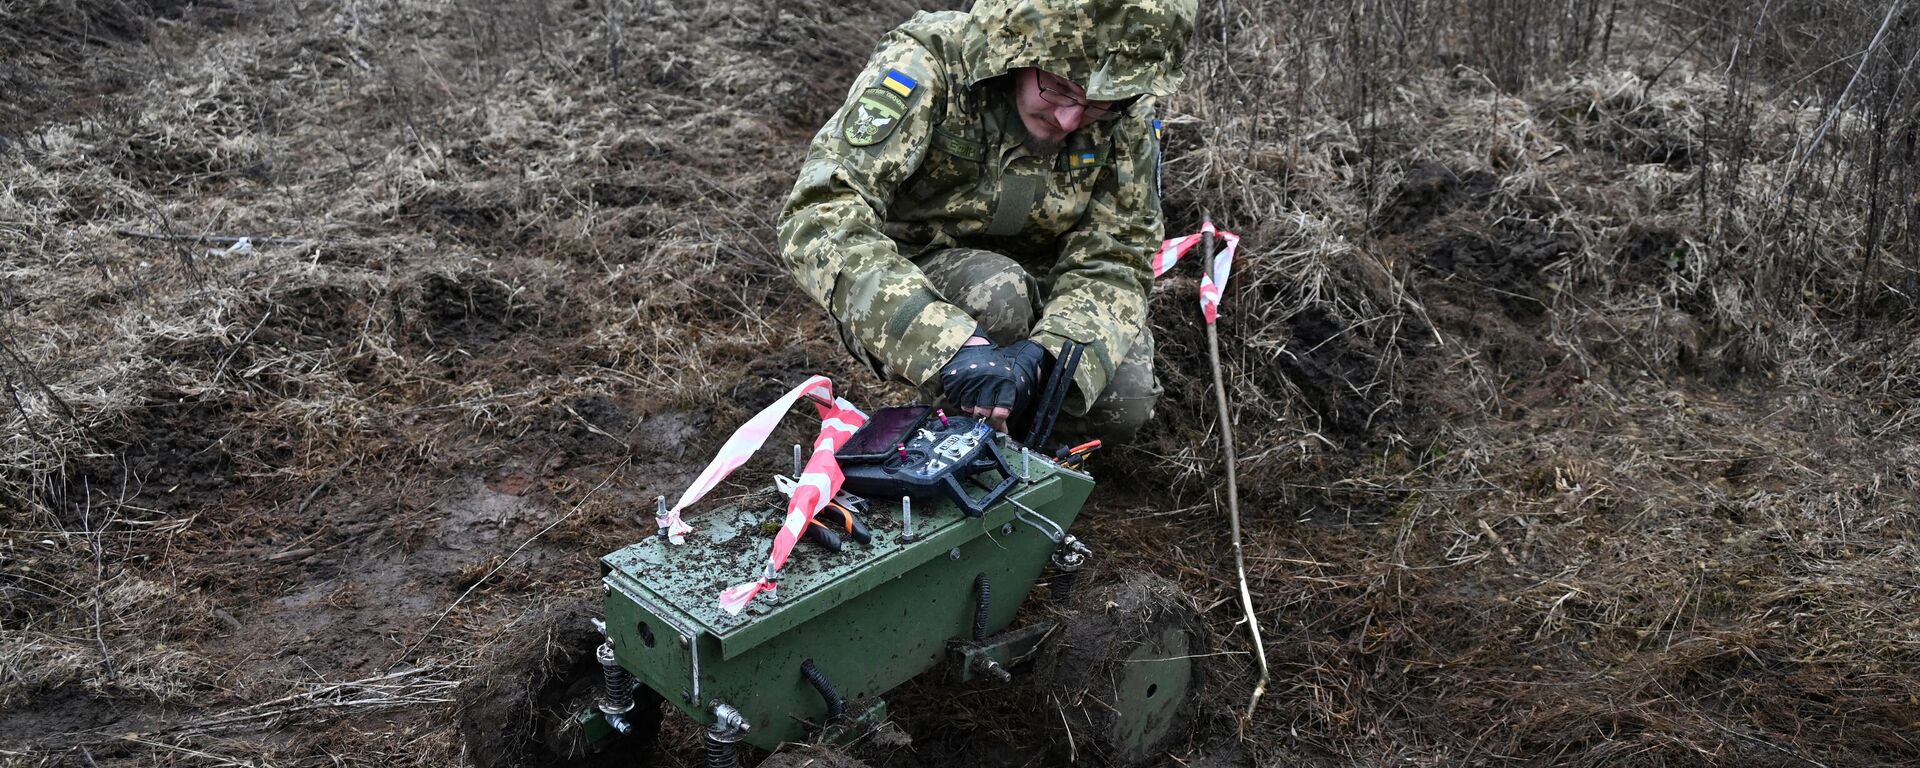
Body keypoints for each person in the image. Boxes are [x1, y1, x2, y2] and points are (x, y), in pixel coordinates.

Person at [776, 0, 1196, 446]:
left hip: (1045, 281)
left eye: (1098, 104)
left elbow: (1116, 252)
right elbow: (820, 214)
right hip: (912, 277)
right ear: (1017, 47)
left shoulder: (1127, 105)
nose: (1069, 119)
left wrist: (1046, 353)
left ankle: (1022, 443)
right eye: (1058, 87)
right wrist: (947, 344)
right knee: (999, 292)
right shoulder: (929, 64)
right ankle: (958, 443)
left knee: (1122, 400)